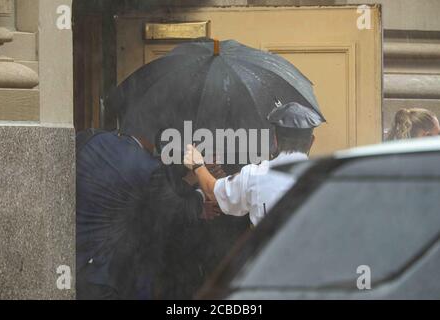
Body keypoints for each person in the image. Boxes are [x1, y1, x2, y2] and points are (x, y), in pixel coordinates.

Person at [76, 130, 207, 300]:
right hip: (104, 273)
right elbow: (171, 211)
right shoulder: (145, 165)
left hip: (75, 266)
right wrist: (201, 194)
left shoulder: (93, 140)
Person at [183, 102, 325, 226]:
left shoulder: (254, 175)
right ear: (311, 141)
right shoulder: (329, 177)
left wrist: (197, 164)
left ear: (275, 139)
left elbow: (213, 191)